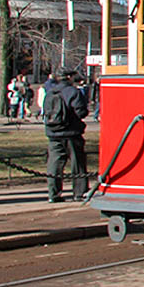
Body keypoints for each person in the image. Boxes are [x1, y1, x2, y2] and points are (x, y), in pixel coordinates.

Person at [43, 71, 90, 201]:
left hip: (53, 132)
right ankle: (79, 192)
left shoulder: (50, 92)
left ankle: (53, 193)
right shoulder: (73, 92)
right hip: (71, 132)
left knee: (54, 163)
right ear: (69, 78)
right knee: (77, 163)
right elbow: (81, 112)